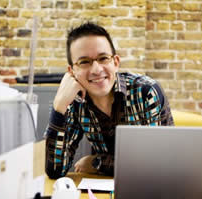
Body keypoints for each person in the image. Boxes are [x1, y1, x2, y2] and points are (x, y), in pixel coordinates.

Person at [45, 22, 174, 179]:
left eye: (103, 58)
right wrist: (59, 106)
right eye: (84, 62)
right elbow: (55, 170)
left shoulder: (145, 91)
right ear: (72, 71)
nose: (96, 70)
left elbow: (157, 165)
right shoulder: (74, 103)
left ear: (116, 62)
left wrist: (97, 163)